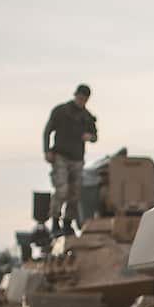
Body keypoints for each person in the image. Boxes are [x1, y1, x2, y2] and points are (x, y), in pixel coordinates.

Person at [42, 83, 98, 238]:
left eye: (84, 99)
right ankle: (55, 222)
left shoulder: (87, 117)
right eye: (80, 97)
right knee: (62, 190)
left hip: (77, 159)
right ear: (75, 96)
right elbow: (47, 131)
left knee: (75, 193)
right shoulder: (61, 111)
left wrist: (90, 137)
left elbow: (95, 136)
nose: (82, 101)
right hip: (61, 156)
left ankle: (67, 222)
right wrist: (46, 150)